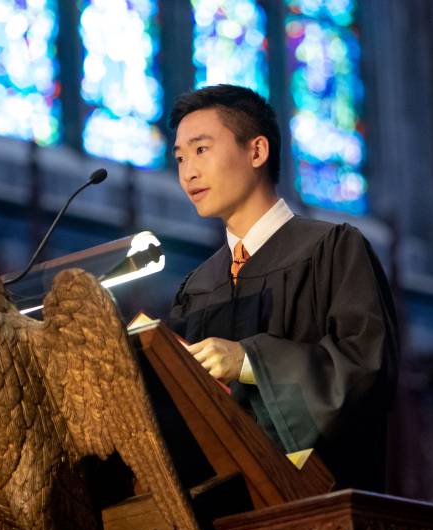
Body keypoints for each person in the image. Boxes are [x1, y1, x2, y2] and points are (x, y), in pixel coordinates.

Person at [167, 84, 398, 491]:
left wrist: (249, 361)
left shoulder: (333, 250)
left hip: (317, 503)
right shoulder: (198, 287)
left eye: (201, 150)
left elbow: (365, 369)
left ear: (257, 151)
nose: (188, 173)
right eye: (181, 158)